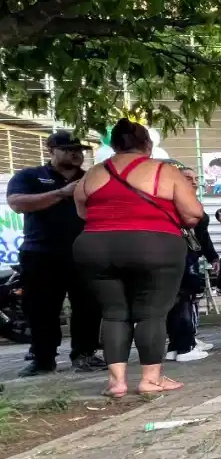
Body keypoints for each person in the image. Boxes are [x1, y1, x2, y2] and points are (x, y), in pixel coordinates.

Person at [72, 118, 203, 396]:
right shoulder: (164, 171)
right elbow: (193, 214)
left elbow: (82, 212)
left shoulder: (93, 173)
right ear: (148, 145)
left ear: (114, 145)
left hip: (95, 246)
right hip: (154, 245)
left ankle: (116, 382)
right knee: (151, 313)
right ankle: (150, 380)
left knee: (114, 313)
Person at [6, 130, 103, 375]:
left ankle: (84, 354)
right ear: (51, 151)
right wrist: (61, 193)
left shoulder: (92, 178)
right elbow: (17, 203)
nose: (76, 154)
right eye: (69, 149)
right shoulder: (32, 176)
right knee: (41, 308)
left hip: (85, 252)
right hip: (41, 252)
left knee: (88, 307)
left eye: (79, 150)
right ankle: (43, 359)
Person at [165, 165, 219, 362]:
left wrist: (212, 256)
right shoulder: (176, 202)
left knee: (181, 300)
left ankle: (177, 345)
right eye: (188, 178)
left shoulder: (188, 200)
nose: (194, 182)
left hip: (187, 254)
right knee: (182, 299)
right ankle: (185, 347)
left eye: (195, 178)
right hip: (180, 254)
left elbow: (203, 236)